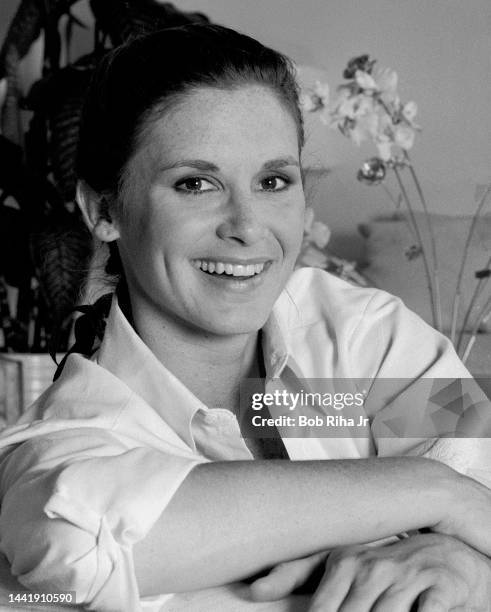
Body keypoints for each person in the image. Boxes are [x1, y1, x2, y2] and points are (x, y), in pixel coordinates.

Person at [0, 23, 490, 612]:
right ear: (105, 210)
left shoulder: (360, 335)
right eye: (196, 183)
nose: (248, 226)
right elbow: (80, 545)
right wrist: (436, 492)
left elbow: (477, 445)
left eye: (273, 181)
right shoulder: (62, 445)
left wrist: (466, 563)